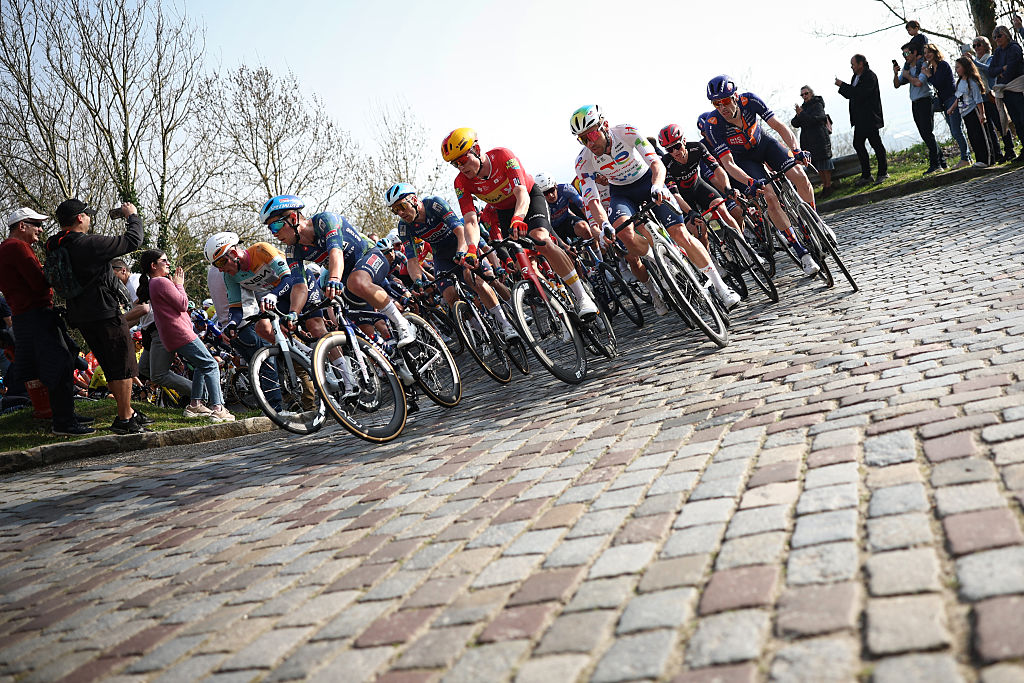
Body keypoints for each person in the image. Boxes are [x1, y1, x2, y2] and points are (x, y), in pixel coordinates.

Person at [441, 127, 600, 318]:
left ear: (477, 149)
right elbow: (470, 220)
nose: (461, 167)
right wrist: (472, 248)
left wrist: (519, 217)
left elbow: (521, 193)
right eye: (455, 164)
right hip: (504, 211)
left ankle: (582, 296)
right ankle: (559, 308)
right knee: (523, 264)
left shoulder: (502, 156)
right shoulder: (461, 182)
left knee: (540, 239)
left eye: (463, 160)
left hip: (528, 199)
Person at [44, 199, 150, 434]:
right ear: (80, 218)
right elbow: (133, 240)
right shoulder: (89, 244)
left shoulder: (55, 244)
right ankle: (124, 419)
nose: (90, 219)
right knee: (122, 364)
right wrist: (132, 216)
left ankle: (128, 412)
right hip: (104, 312)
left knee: (109, 363)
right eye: (88, 215)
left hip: (80, 314)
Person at [701, 78, 823, 277]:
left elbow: (778, 126)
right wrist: (749, 182)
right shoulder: (713, 124)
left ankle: (815, 222)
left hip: (765, 145)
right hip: (745, 160)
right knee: (769, 197)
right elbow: (728, 163)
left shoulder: (750, 101)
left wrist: (796, 150)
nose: (721, 107)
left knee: (800, 176)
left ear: (735, 97)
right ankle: (801, 252)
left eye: (724, 101)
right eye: (716, 103)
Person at [258, 195, 417, 346]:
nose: (274, 233)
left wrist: (333, 279)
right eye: (270, 229)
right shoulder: (292, 251)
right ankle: (389, 361)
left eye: (276, 225)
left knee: (356, 281)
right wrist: (294, 313)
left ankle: (402, 323)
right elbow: (300, 286)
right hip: (346, 277)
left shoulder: (325, 221)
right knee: (355, 322)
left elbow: (336, 252)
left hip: (369, 256)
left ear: (293, 218)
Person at [0, 208, 94, 435]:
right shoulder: (18, 247)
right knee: (60, 364)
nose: (41, 229)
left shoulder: (5, 248)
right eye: (36, 224)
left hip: (26, 316)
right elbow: (39, 282)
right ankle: (64, 422)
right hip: (36, 315)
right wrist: (53, 272)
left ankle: (64, 414)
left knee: (55, 363)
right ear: (22, 226)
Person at [386, 182, 519, 341]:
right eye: (395, 210)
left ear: (414, 199)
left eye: (401, 206)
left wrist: (462, 252)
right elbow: (412, 260)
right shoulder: (404, 227)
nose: (400, 213)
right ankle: (481, 332)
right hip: (442, 256)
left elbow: (460, 231)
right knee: (449, 295)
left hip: (460, 243)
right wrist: (417, 281)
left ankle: (506, 323)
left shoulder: (434, 204)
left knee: (480, 280)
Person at [137, 249, 233, 422]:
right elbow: (183, 304)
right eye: (164, 261)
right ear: (153, 265)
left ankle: (195, 405)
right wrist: (179, 284)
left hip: (173, 335)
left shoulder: (153, 284)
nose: (168, 264)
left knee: (200, 365)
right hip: (181, 333)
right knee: (211, 365)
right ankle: (218, 408)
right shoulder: (161, 282)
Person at [837, 54, 889, 183]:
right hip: (860, 119)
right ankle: (866, 174)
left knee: (876, 144)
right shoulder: (856, 77)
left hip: (869, 117)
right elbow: (851, 94)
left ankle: (883, 172)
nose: (852, 67)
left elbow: (859, 93)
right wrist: (843, 87)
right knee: (858, 144)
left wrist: (842, 85)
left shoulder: (869, 76)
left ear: (861, 64)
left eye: (853, 64)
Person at [894, 42, 944, 173]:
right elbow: (897, 84)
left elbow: (918, 82)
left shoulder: (923, 65)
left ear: (914, 53)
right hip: (915, 102)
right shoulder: (907, 68)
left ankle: (936, 164)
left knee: (927, 133)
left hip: (925, 101)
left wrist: (907, 76)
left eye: (906, 53)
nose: (905, 56)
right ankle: (941, 161)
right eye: (903, 54)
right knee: (924, 134)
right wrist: (896, 73)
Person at [967, 36, 1017, 162]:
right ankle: (997, 153)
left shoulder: (991, 58)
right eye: (974, 46)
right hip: (980, 98)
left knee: (1001, 124)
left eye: (978, 44)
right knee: (989, 128)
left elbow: (989, 70)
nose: (976, 48)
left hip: (991, 95)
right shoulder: (975, 61)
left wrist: (974, 62)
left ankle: (1010, 149)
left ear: (986, 45)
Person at [923, 43, 972, 168]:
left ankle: (965, 158)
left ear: (935, 52)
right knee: (954, 130)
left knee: (956, 130)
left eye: (929, 52)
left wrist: (928, 76)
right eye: (925, 53)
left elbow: (938, 83)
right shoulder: (933, 69)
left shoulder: (942, 65)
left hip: (952, 99)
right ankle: (967, 157)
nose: (927, 55)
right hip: (945, 102)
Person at [950, 57, 997, 167]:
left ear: (965, 67)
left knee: (981, 135)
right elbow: (958, 98)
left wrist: (982, 114)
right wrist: (952, 108)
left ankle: (987, 160)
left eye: (958, 67)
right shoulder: (960, 82)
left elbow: (978, 99)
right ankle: (979, 158)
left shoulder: (972, 82)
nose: (956, 69)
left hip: (974, 111)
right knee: (973, 137)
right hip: (965, 114)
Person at [791, 86, 835, 194]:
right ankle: (825, 187)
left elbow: (815, 119)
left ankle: (828, 186)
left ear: (811, 93)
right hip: (809, 141)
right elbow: (795, 123)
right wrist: (799, 114)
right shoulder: (803, 108)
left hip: (820, 139)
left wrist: (802, 114)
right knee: (817, 165)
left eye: (806, 94)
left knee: (824, 164)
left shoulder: (817, 105)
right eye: (802, 95)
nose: (804, 96)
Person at [988, 25, 1024, 155]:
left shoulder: (1014, 48)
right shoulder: (998, 52)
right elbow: (991, 71)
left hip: (1018, 88)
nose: (997, 39)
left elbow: (1012, 69)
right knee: (1016, 120)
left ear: (1007, 35)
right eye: (994, 37)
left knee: (1022, 118)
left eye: (999, 36)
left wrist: (1003, 71)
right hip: (1006, 91)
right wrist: (1002, 69)